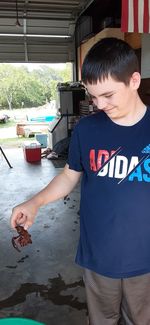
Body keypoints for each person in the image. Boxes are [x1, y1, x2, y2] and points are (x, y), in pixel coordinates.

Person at [10, 37, 150, 325]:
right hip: (98, 255)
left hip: (146, 259)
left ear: (134, 80)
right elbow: (69, 176)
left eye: (108, 95)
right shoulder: (87, 130)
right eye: (93, 96)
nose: (99, 105)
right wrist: (36, 202)